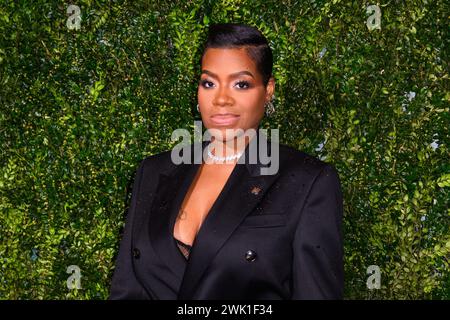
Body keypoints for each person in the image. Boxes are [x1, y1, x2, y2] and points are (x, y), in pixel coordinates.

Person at [109, 23, 343, 300]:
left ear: (268, 90)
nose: (221, 99)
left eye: (241, 84)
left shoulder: (308, 180)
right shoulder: (154, 170)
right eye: (209, 83)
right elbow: (127, 289)